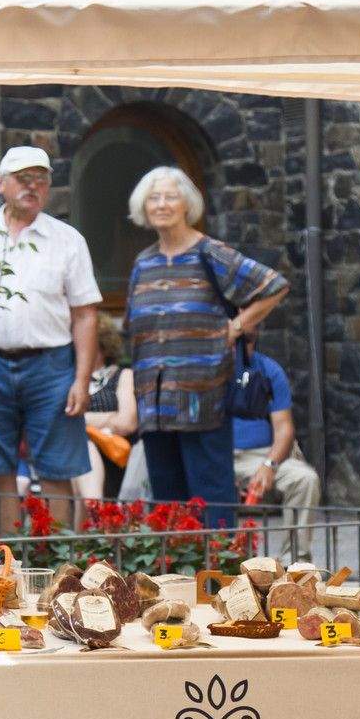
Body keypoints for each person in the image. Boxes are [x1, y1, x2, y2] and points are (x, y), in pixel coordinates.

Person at [0, 147, 100, 536]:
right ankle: (9, 557)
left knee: (57, 469)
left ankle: (57, 559)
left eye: (41, 179)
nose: (33, 186)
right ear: (1, 184)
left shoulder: (67, 240)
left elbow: (85, 314)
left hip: (51, 364)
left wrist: (82, 380)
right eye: (23, 178)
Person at [125, 166, 287, 528]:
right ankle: (175, 564)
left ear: (187, 204)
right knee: (168, 505)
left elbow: (273, 285)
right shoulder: (143, 263)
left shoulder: (209, 253)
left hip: (203, 398)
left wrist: (234, 328)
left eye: (170, 196)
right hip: (155, 406)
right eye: (154, 198)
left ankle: (221, 561)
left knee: (211, 498)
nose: (162, 204)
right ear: (143, 207)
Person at [231, 346, 321, 522]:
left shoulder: (268, 370)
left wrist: (269, 465)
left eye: (248, 341)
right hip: (216, 457)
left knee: (305, 479)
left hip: (260, 457)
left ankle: (297, 542)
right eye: (237, 341)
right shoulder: (205, 370)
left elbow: (284, 429)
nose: (242, 348)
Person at [74, 313, 137, 505]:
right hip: (72, 455)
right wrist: (109, 418)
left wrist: (81, 418)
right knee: (83, 448)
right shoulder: (66, 379)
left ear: (101, 344)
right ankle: (95, 513)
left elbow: (127, 423)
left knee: (85, 450)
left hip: (113, 457)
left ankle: (94, 513)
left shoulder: (123, 375)